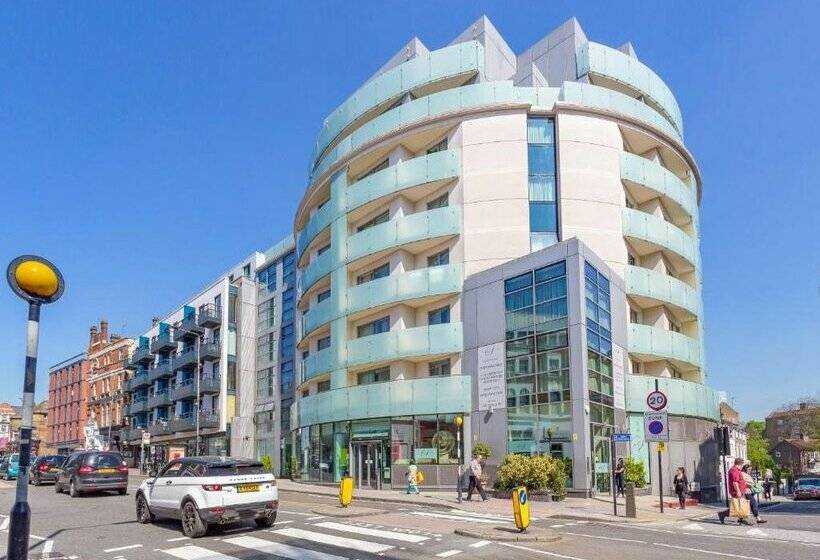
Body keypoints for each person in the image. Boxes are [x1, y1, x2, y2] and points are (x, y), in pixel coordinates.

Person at [719, 457, 752, 525]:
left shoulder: (737, 470)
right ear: (740, 464)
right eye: (742, 465)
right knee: (736, 506)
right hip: (736, 491)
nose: (742, 466)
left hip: (740, 491)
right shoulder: (734, 470)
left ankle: (741, 519)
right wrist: (738, 491)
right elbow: (735, 482)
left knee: (740, 504)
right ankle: (722, 514)